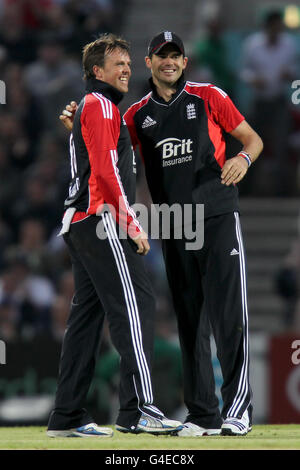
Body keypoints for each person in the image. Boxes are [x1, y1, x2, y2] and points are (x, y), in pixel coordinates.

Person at [60, 31, 263, 437]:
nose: (169, 61)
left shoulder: (210, 95)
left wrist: (242, 158)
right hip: (174, 225)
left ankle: (237, 411)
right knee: (189, 322)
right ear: (150, 64)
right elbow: (110, 153)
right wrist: (76, 125)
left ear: (185, 62)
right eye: (160, 56)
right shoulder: (135, 115)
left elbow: (253, 140)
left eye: (176, 55)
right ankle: (204, 414)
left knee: (229, 315)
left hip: (218, 217)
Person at [47, 33, 182, 438]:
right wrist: (132, 223)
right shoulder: (102, 106)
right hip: (102, 220)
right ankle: (140, 410)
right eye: (117, 63)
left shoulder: (93, 108)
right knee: (136, 306)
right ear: (97, 72)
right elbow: (106, 175)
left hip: (79, 222)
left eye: (128, 62)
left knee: (86, 320)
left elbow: (95, 165)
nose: (126, 68)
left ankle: (67, 415)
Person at [240, 9, 298, 195]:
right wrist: (254, 80)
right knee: (252, 144)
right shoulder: (253, 45)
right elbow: (244, 71)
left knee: (281, 144)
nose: (276, 29)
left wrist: (289, 74)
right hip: (260, 101)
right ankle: (247, 189)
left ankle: (282, 191)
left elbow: (295, 70)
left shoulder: (289, 45)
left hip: (279, 101)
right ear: (267, 27)